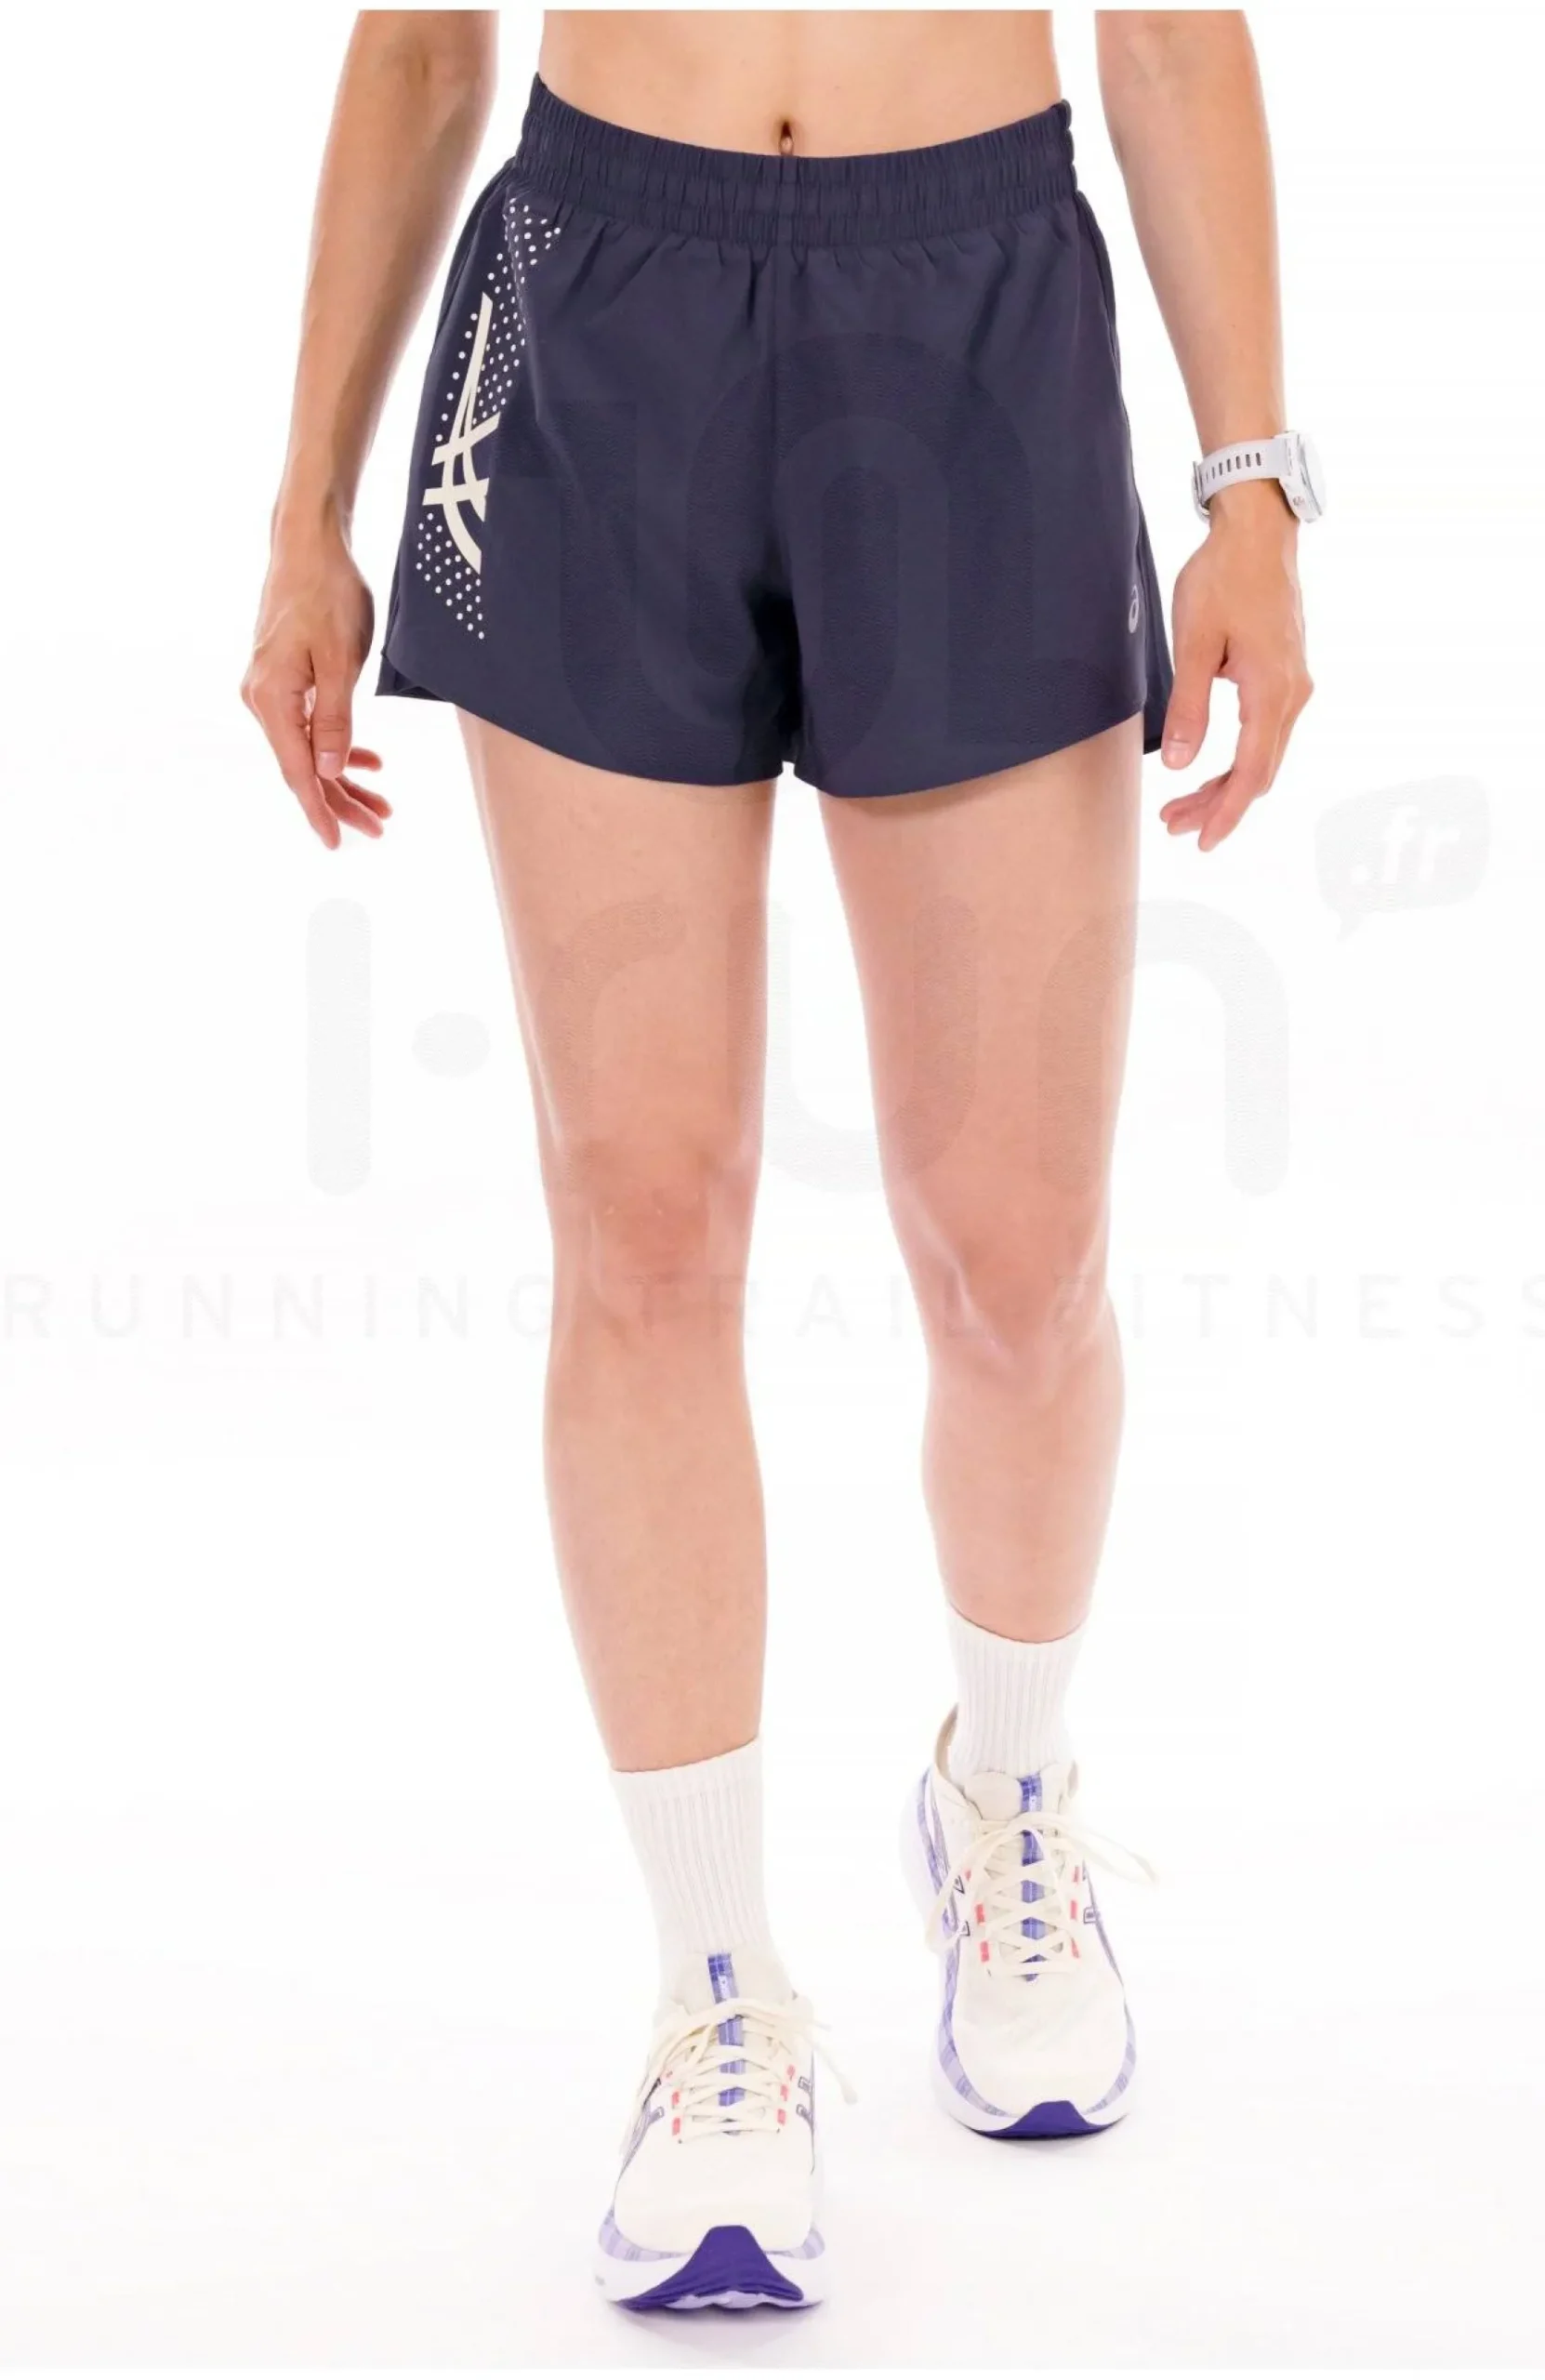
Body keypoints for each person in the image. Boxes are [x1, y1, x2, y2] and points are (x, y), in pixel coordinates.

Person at [243, 7, 1315, 2314]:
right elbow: (421, 44)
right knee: (639, 1215)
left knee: (1017, 1246)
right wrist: (303, 512)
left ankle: (1002, 1796)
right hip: (595, 315)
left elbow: (1168, 28)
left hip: (970, 305)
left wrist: (1250, 480)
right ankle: (715, 1992)